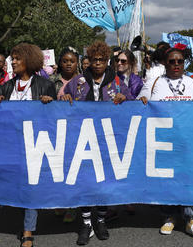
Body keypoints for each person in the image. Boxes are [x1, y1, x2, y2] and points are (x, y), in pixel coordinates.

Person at [61, 41, 133, 245]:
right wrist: (65, 97)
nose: (98, 63)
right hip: (82, 140)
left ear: (107, 61)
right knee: (84, 181)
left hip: (107, 140)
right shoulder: (78, 81)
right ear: (89, 61)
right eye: (94, 60)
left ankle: (100, 220)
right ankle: (85, 223)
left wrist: (124, 98)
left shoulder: (117, 82)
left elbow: (131, 104)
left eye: (102, 60)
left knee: (103, 182)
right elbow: (64, 103)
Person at [137, 45, 193, 241]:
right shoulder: (153, 83)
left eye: (180, 61)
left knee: (189, 179)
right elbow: (139, 105)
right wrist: (142, 100)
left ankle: (192, 219)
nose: (176, 64)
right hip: (164, 142)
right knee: (167, 179)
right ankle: (169, 216)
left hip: (188, 141)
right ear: (164, 63)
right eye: (172, 61)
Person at [0, 43, 56, 247]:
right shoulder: (7, 86)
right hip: (12, 144)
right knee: (17, 185)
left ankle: (28, 230)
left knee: (30, 186)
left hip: (35, 145)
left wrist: (50, 102)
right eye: (12, 58)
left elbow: (56, 117)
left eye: (17, 58)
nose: (13, 62)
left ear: (29, 61)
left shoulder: (45, 85)